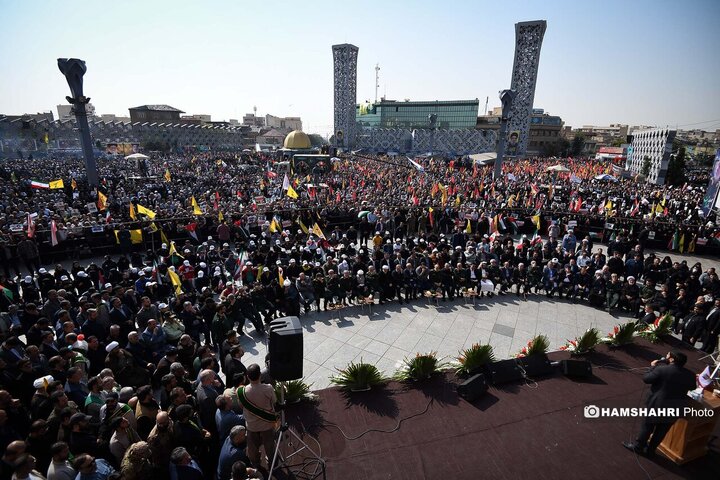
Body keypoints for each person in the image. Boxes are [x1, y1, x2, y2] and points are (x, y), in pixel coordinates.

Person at [623, 350, 696, 457]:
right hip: (676, 408)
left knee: (648, 426)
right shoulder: (690, 375)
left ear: (671, 359)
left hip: (658, 404)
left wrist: (652, 367)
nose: (665, 356)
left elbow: (647, 379)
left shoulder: (661, 369)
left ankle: (639, 447)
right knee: (662, 431)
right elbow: (692, 387)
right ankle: (650, 450)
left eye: (667, 355)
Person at [237, 364, 276, 470]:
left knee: (253, 448)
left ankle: (256, 464)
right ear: (260, 375)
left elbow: (241, 406)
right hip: (266, 424)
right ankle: (272, 462)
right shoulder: (268, 388)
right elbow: (274, 401)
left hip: (251, 426)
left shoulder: (241, 392)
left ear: (247, 377)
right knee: (269, 445)